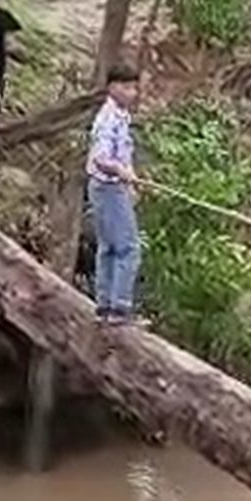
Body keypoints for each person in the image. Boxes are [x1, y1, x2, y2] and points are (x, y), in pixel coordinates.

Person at [86, 65, 143, 326]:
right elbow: (101, 158)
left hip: (110, 187)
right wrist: (121, 172)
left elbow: (122, 153)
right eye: (127, 86)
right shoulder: (108, 117)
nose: (133, 92)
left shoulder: (121, 116)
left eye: (135, 87)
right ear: (112, 87)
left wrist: (130, 183)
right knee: (127, 247)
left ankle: (105, 306)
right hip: (107, 187)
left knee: (108, 247)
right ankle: (119, 308)